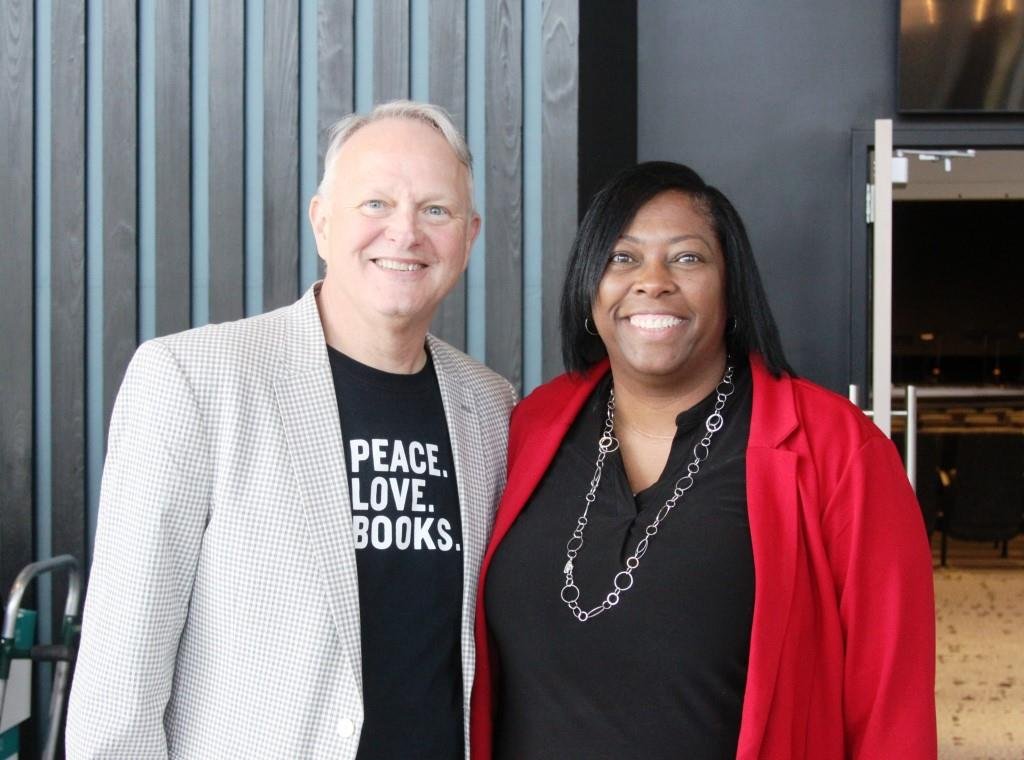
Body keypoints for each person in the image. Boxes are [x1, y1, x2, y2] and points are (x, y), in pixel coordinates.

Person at [67, 101, 516, 759]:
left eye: (435, 210)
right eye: (376, 203)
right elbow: (118, 690)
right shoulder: (193, 380)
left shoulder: (491, 406)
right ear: (322, 221)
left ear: (469, 236)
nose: (405, 232)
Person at [471, 162, 936, 759]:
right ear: (590, 288)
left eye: (687, 258)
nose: (653, 281)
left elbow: (892, 710)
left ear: (731, 287)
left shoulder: (839, 450)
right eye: (622, 258)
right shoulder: (530, 425)